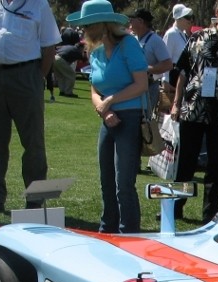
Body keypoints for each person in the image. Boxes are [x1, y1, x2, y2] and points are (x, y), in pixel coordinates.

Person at [68, 0, 148, 233]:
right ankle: (107, 229)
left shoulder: (129, 45)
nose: (83, 31)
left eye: (87, 26)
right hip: (108, 118)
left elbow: (141, 84)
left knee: (124, 183)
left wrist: (110, 101)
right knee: (106, 180)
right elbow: (94, 89)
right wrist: (104, 109)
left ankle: (128, 233)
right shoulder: (96, 52)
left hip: (130, 117)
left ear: (101, 25)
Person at [0, 0, 61, 216]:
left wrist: (37, 77)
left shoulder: (38, 4)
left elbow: (49, 46)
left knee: (33, 141)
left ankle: (35, 199)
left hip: (26, 73)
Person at [171, 0, 218, 221]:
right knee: (186, 163)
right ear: (217, 13)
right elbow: (183, 73)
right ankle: (176, 207)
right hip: (194, 109)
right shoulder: (197, 38)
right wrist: (176, 103)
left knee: (216, 166)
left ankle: (210, 211)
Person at [127, 9, 172, 112]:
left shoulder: (155, 40)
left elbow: (168, 64)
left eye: (132, 20)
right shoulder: (133, 39)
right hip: (132, 85)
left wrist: (145, 68)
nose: (130, 23)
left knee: (144, 119)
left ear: (141, 21)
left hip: (149, 87)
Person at [52, 31, 86, 98]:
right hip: (60, 59)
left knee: (60, 76)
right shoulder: (77, 51)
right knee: (71, 75)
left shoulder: (70, 47)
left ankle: (62, 91)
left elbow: (58, 49)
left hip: (54, 58)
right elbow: (84, 60)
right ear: (81, 48)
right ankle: (68, 92)